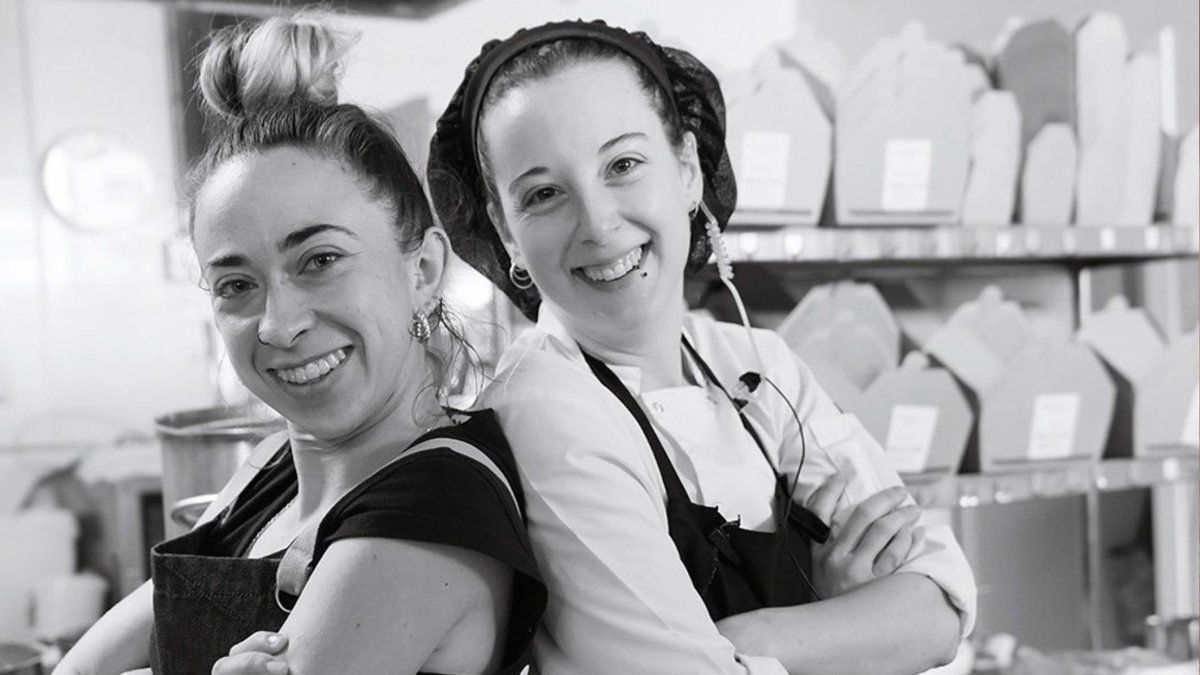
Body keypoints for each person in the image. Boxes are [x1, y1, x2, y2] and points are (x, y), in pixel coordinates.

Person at [423, 20, 976, 675]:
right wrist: (838, 614)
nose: (598, 223)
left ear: (686, 170)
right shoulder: (542, 407)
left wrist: (750, 637)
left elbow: (941, 605)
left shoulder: (758, 361)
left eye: (623, 165)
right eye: (544, 194)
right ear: (505, 231)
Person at [53, 14, 544, 675]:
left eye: (320, 260)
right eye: (236, 284)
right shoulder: (270, 470)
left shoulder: (432, 505)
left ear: (424, 270)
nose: (278, 325)